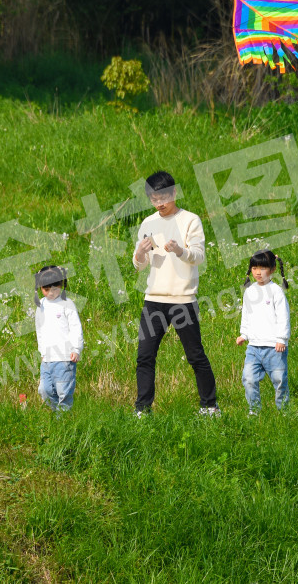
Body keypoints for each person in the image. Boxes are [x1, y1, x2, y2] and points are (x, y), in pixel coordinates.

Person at [132, 171, 219, 416]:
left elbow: (199, 256)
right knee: (145, 357)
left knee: (195, 355)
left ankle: (210, 406)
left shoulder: (191, 220)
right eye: (153, 199)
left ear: (174, 193)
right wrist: (139, 252)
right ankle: (142, 409)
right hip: (153, 300)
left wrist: (180, 250)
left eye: (163, 197)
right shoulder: (148, 223)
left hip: (183, 300)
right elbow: (139, 264)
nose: (159, 203)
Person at [236, 250, 291, 415]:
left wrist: (281, 339)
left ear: (273, 269)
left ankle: (284, 412)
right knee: (249, 379)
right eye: (254, 268)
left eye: (262, 268)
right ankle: (254, 410)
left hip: (274, 348)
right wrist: (244, 335)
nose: (258, 272)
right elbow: (246, 315)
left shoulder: (276, 291)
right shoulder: (250, 291)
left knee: (279, 381)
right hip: (253, 347)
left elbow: (283, 316)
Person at [34, 265, 83, 412]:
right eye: (46, 289)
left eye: (54, 289)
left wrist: (76, 349)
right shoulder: (41, 305)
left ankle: (63, 420)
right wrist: (42, 353)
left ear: (61, 285)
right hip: (47, 359)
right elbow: (39, 330)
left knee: (64, 391)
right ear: (40, 288)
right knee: (45, 390)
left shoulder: (67, 304)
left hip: (65, 357)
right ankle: (56, 412)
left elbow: (76, 328)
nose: (50, 293)